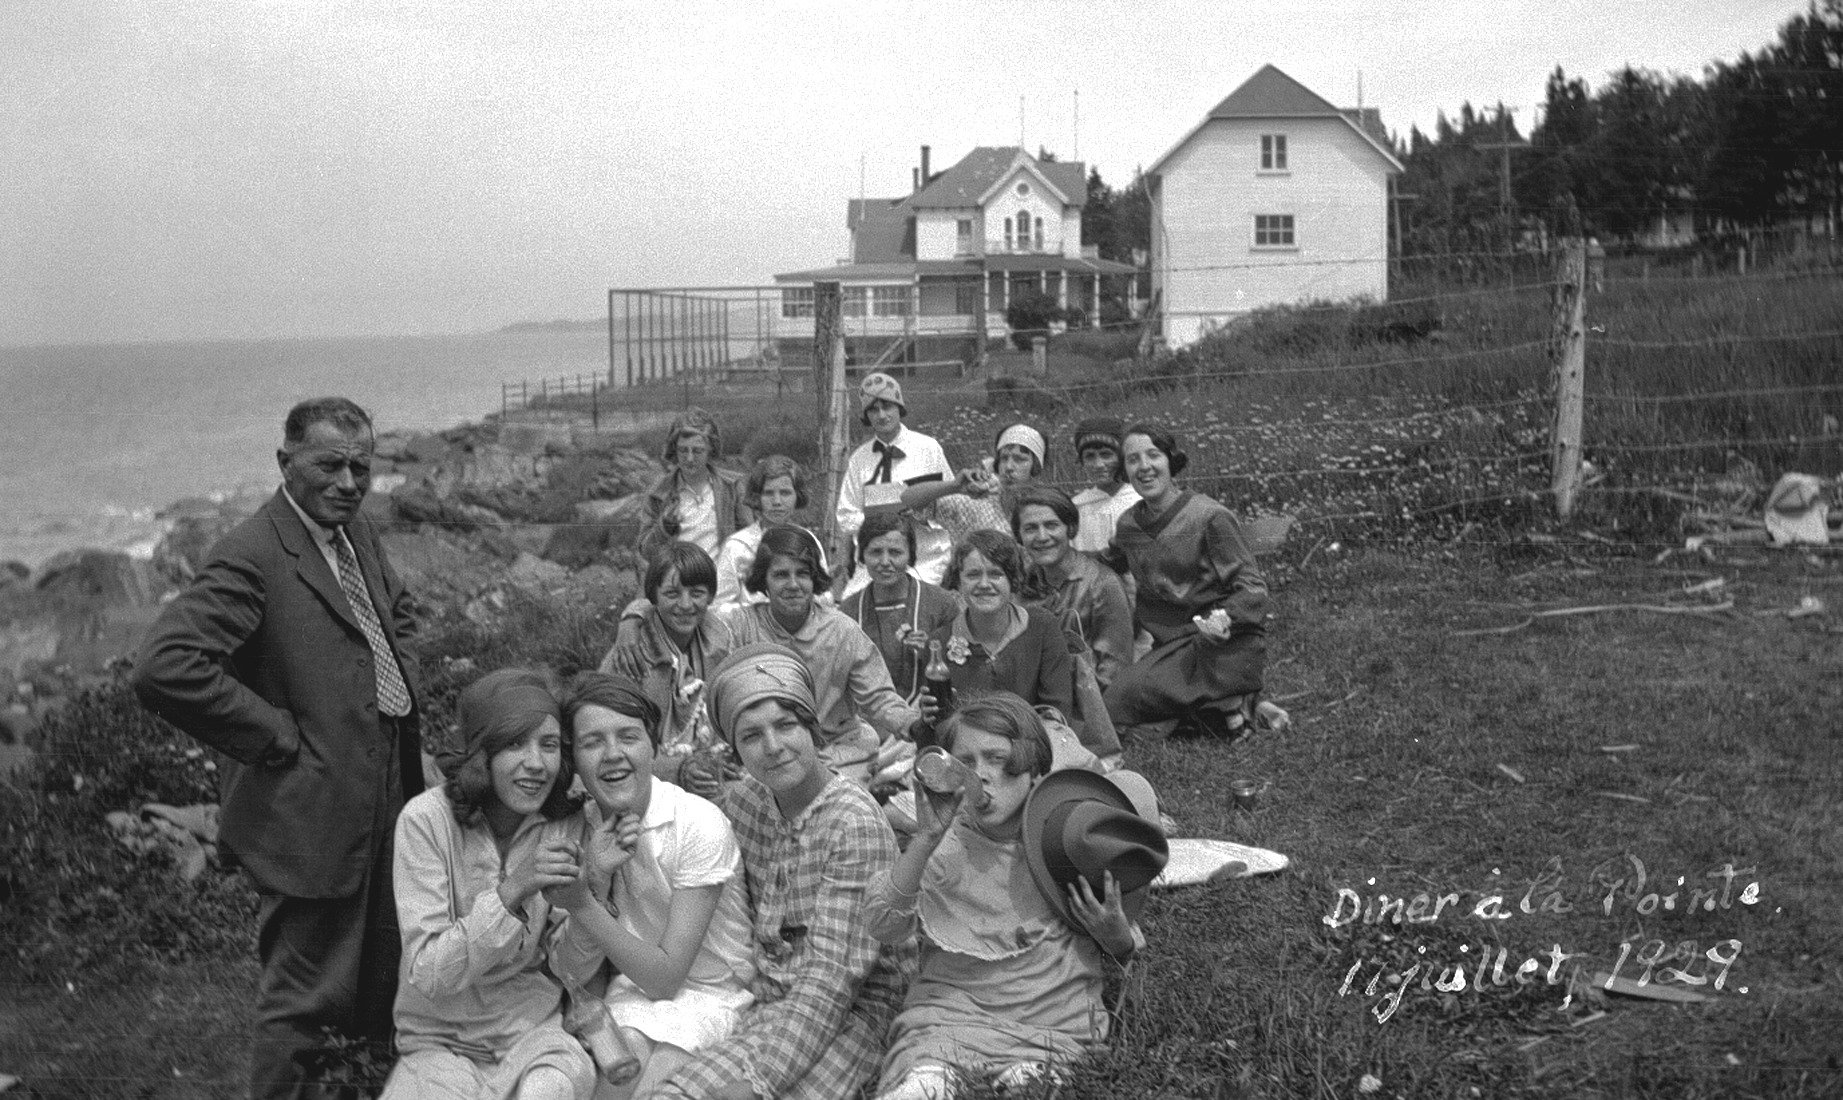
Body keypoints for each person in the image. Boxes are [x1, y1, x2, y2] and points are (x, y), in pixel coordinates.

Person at [133, 396, 425, 1099]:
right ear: (284, 462)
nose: (348, 482)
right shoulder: (252, 553)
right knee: (302, 999)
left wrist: (402, 694)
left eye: (361, 466)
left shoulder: (353, 533)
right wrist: (274, 734)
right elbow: (165, 666)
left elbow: (398, 612)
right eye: (329, 465)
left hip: (385, 787)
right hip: (307, 808)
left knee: (379, 976)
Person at [650, 643, 915, 1100]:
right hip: (774, 1002)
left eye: (786, 725)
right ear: (735, 751)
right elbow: (676, 821)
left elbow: (831, 982)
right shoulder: (746, 802)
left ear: (813, 729)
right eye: (751, 736)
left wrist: (758, 1082)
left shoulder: (854, 823)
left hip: (858, 1006)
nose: (772, 748)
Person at [866, 694, 1162, 1100]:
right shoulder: (946, 844)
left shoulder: (1065, 841)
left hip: (1049, 1022)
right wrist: (925, 839)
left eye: (997, 759)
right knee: (923, 1085)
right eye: (965, 762)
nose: (981, 776)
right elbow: (883, 925)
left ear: (1035, 772)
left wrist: (1116, 933)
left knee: (1034, 1084)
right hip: (949, 1018)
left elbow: (1119, 951)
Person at [382, 668, 595, 1100]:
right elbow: (427, 973)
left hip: (534, 1036)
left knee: (550, 1088)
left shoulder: (566, 824)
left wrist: (594, 889)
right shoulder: (426, 821)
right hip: (439, 1042)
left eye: (548, 745)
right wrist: (512, 890)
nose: (536, 764)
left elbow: (568, 967)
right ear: (482, 755)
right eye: (514, 743)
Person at [549, 672, 757, 1098]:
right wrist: (598, 879)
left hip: (712, 994)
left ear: (652, 746)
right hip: (630, 997)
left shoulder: (696, 823)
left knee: (660, 1083)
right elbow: (569, 971)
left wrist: (584, 904)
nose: (613, 755)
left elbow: (666, 979)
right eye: (592, 743)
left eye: (628, 736)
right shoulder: (576, 831)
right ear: (574, 758)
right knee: (617, 1075)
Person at [1101, 425, 1271, 740]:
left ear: (1171, 460)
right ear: (1124, 470)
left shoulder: (1209, 517)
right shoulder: (1129, 525)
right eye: (1133, 459)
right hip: (1171, 646)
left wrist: (1223, 619)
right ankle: (1221, 710)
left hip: (1221, 642)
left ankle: (1228, 705)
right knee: (1115, 705)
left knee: (1122, 706)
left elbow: (1253, 589)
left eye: (1154, 455)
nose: (1145, 467)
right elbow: (1107, 560)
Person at [723, 525, 923, 786]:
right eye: (781, 575)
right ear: (764, 581)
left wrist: (911, 724)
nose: (793, 585)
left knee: (834, 798)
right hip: (768, 748)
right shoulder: (741, 627)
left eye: (803, 574)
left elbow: (878, 696)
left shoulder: (842, 630)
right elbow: (723, 700)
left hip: (835, 748)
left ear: (814, 579)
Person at [601, 543, 739, 787]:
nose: (686, 605)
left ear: (710, 596)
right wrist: (677, 770)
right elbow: (612, 738)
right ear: (654, 596)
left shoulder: (720, 638)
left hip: (709, 765)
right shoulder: (631, 654)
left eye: (696, 593)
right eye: (672, 594)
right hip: (647, 777)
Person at [1013, 486, 1131, 760]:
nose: (1042, 537)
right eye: (1030, 528)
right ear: (1019, 536)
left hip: (1089, 703)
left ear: (1071, 529)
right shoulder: (1021, 585)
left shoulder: (1101, 583)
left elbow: (1114, 664)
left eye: (1051, 525)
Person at [925, 530, 1074, 743]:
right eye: (973, 575)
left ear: (1013, 580)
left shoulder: (1042, 626)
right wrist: (926, 719)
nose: (984, 584)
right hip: (968, 750)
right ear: (958, 582)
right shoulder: (939, 643)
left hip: (1035, 742)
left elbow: (1056, 710)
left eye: (996, 574)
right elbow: (939, 727)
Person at [835, 372, 952, 586]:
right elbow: (846, 515)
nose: (881, 415)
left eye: (887, 406)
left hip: (925, 559)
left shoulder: (928, 449)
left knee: (915, 601)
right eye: (873, 409)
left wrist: (922, 513)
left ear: (899, 408)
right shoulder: (859, 459)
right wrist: (882, 521)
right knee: (852, 606)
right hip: (876, 562)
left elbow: (952, 504)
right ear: (866, 415)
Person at [837, 512, 958, 706]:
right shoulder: (848, 612)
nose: (885, 561)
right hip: (868, 721)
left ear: (910, 555)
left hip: (927, 712)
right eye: (875, 552)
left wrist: (932, 652)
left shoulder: (941, 604)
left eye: (895, 552)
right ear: (862, 556)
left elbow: (959, 665)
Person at [900, 422, 1046, 547]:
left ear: (1035, 467)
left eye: (1019, 459)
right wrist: (953, 486)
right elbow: (908, 499)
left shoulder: (1048, 507)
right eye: (1004, 458)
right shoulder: (976, 503)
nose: (1008, 467)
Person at [641, 408, 752, 558]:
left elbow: (748, 539)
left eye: (697, 451)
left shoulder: (732, 487)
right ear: (674, 449)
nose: (690, 458)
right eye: (683, 450)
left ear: (711, 449)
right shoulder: (658, 493)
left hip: (722, 577)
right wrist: (663, 529)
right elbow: (645, 552)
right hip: (677, 579)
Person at [712, 455, 817, 613]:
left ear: (797, 495)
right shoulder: (737, 546)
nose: (777, 501)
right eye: (768, 493)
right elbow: (719, 606)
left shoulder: (808, 541)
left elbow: (821, 593)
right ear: (757, 497)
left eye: (785, 493)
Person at [1068, 417, 1139, 555]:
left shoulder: (1141, 501)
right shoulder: (1076, 509)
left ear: (1122, 457)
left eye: (1106, 455)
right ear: (1081, 461)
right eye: (1090, 456)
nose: (1099, 464)